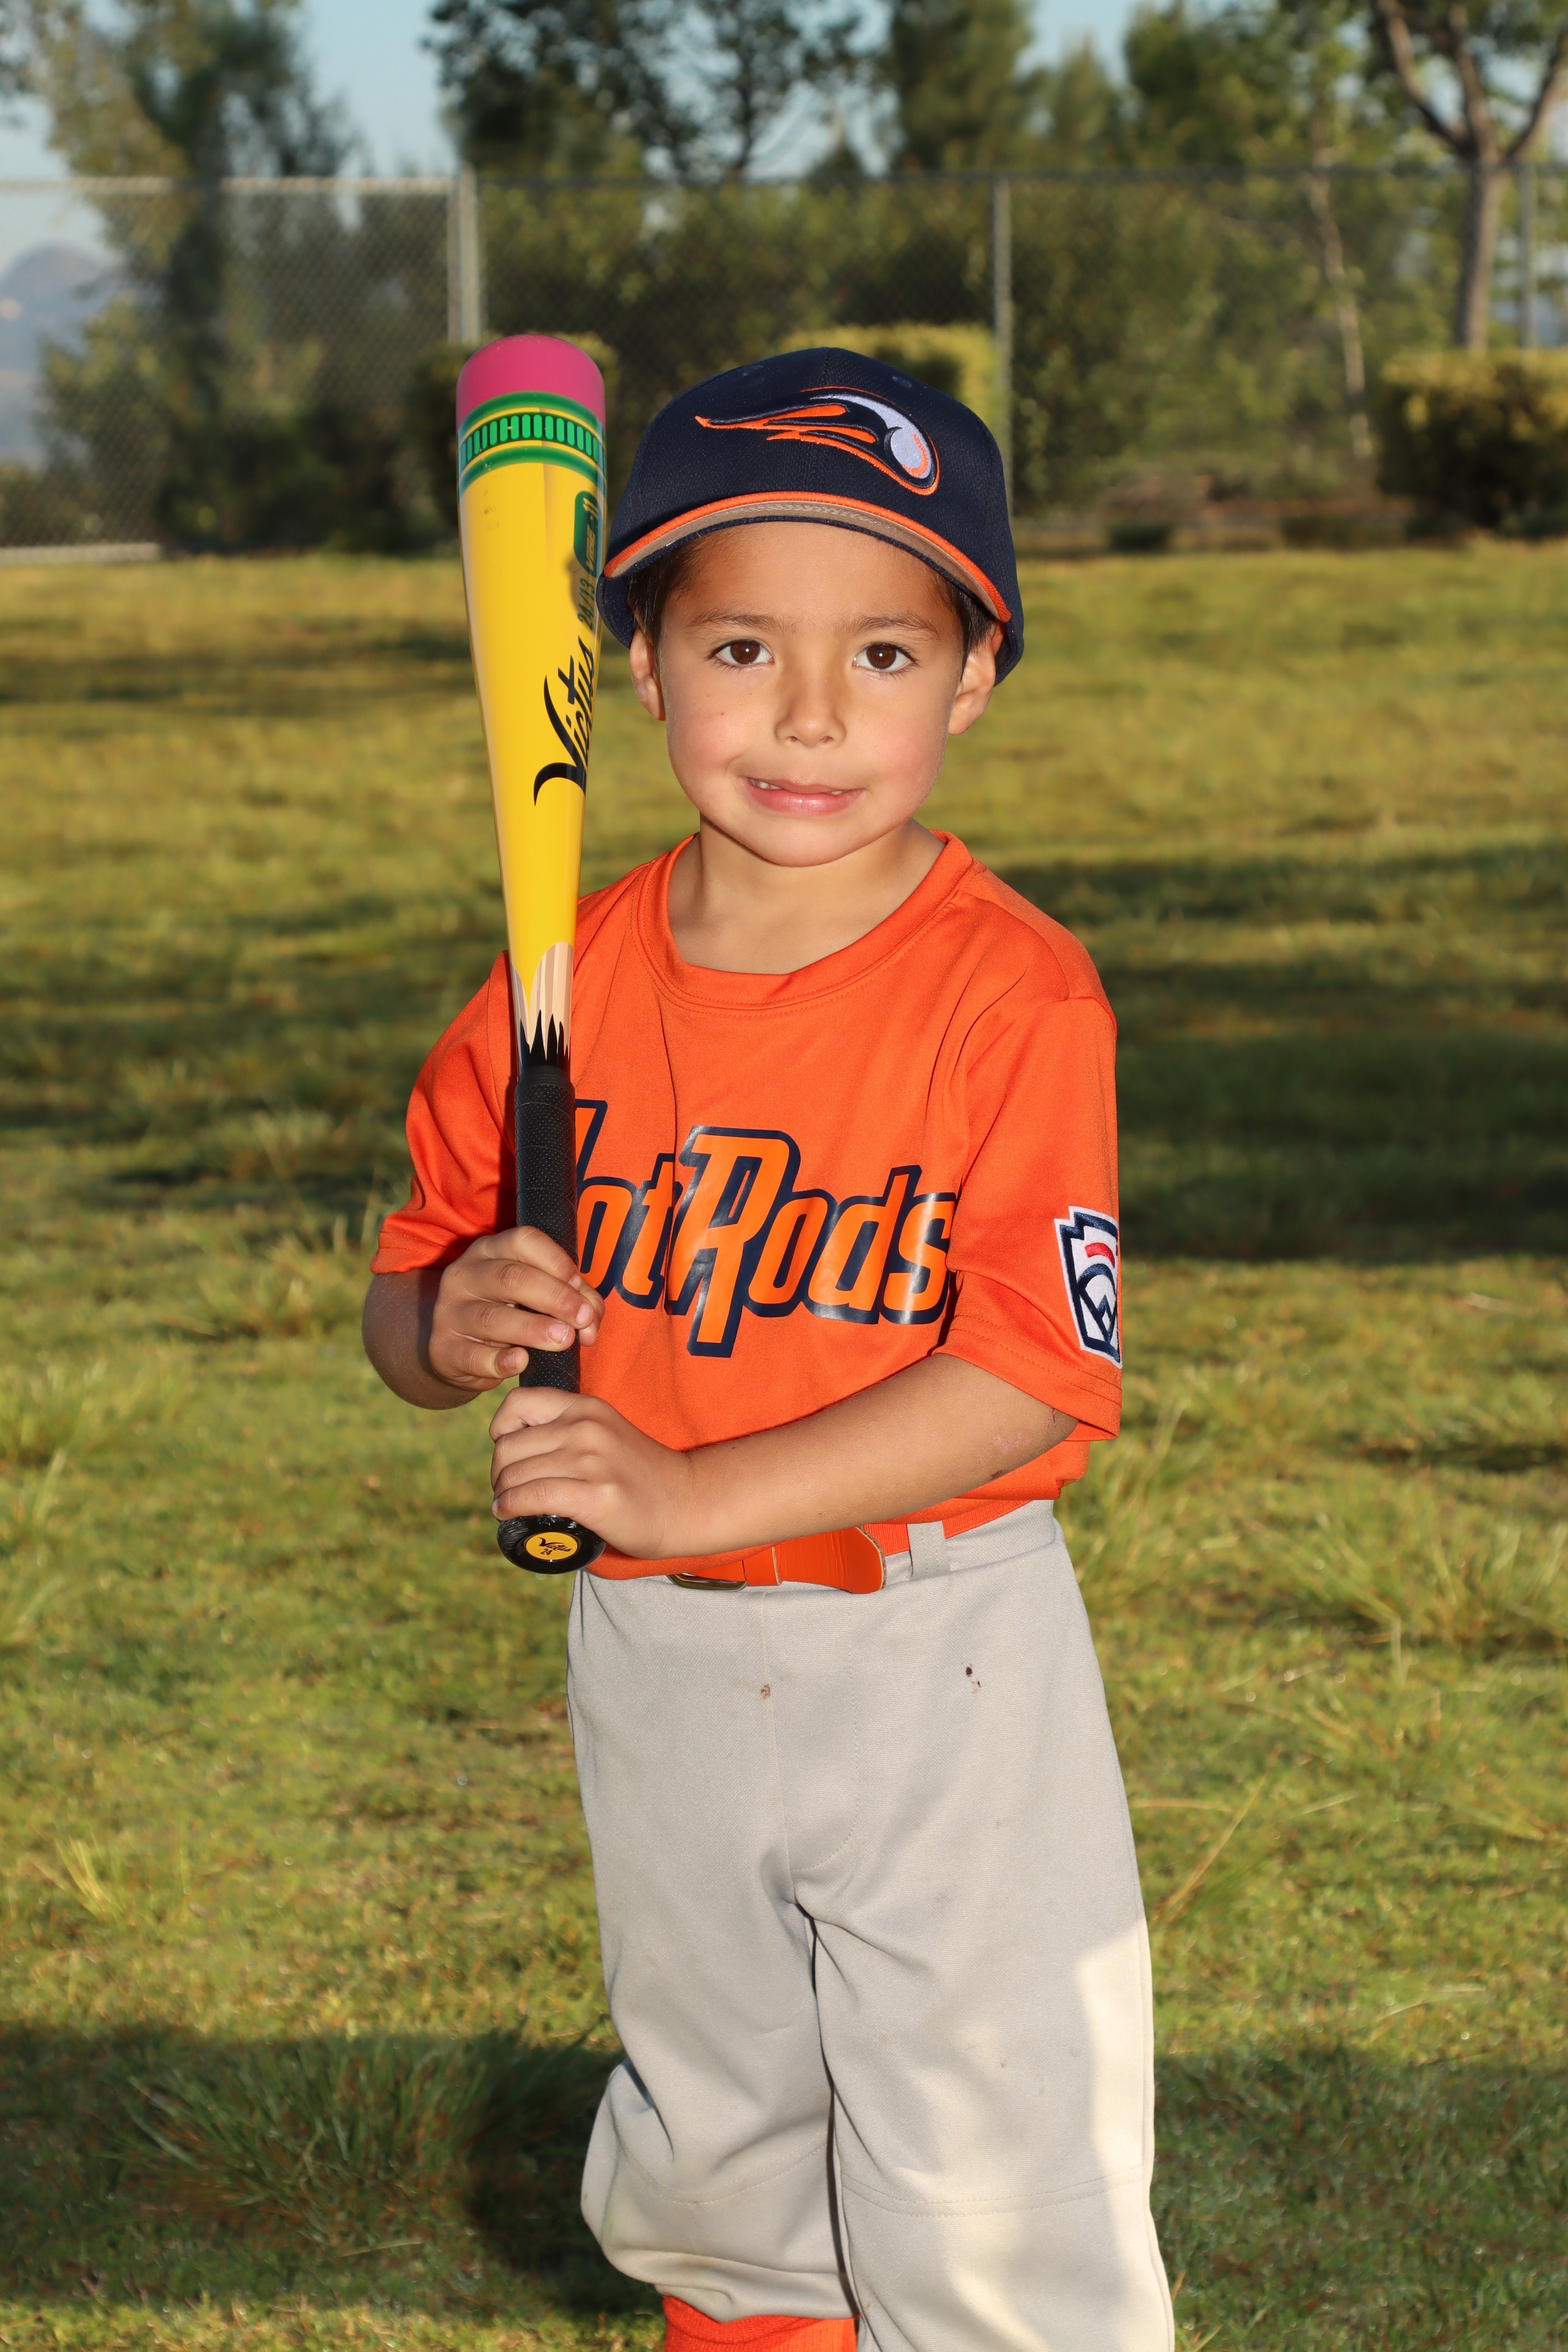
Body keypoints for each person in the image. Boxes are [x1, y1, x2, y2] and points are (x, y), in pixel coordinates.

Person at [363, 350, 1173, 2352]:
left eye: (884, 653)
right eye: (740, 645)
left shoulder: (1012, 996)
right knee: (722, 2148)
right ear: (634, 665)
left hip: (939, 1651)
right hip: (655, 1655)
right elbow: (416, 1286)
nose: (811, 714)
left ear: (972, 678)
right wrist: (443, 1331)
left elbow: (1031, 1374)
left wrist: (691, 1486)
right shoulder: (555, 989)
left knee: (987, 2160)